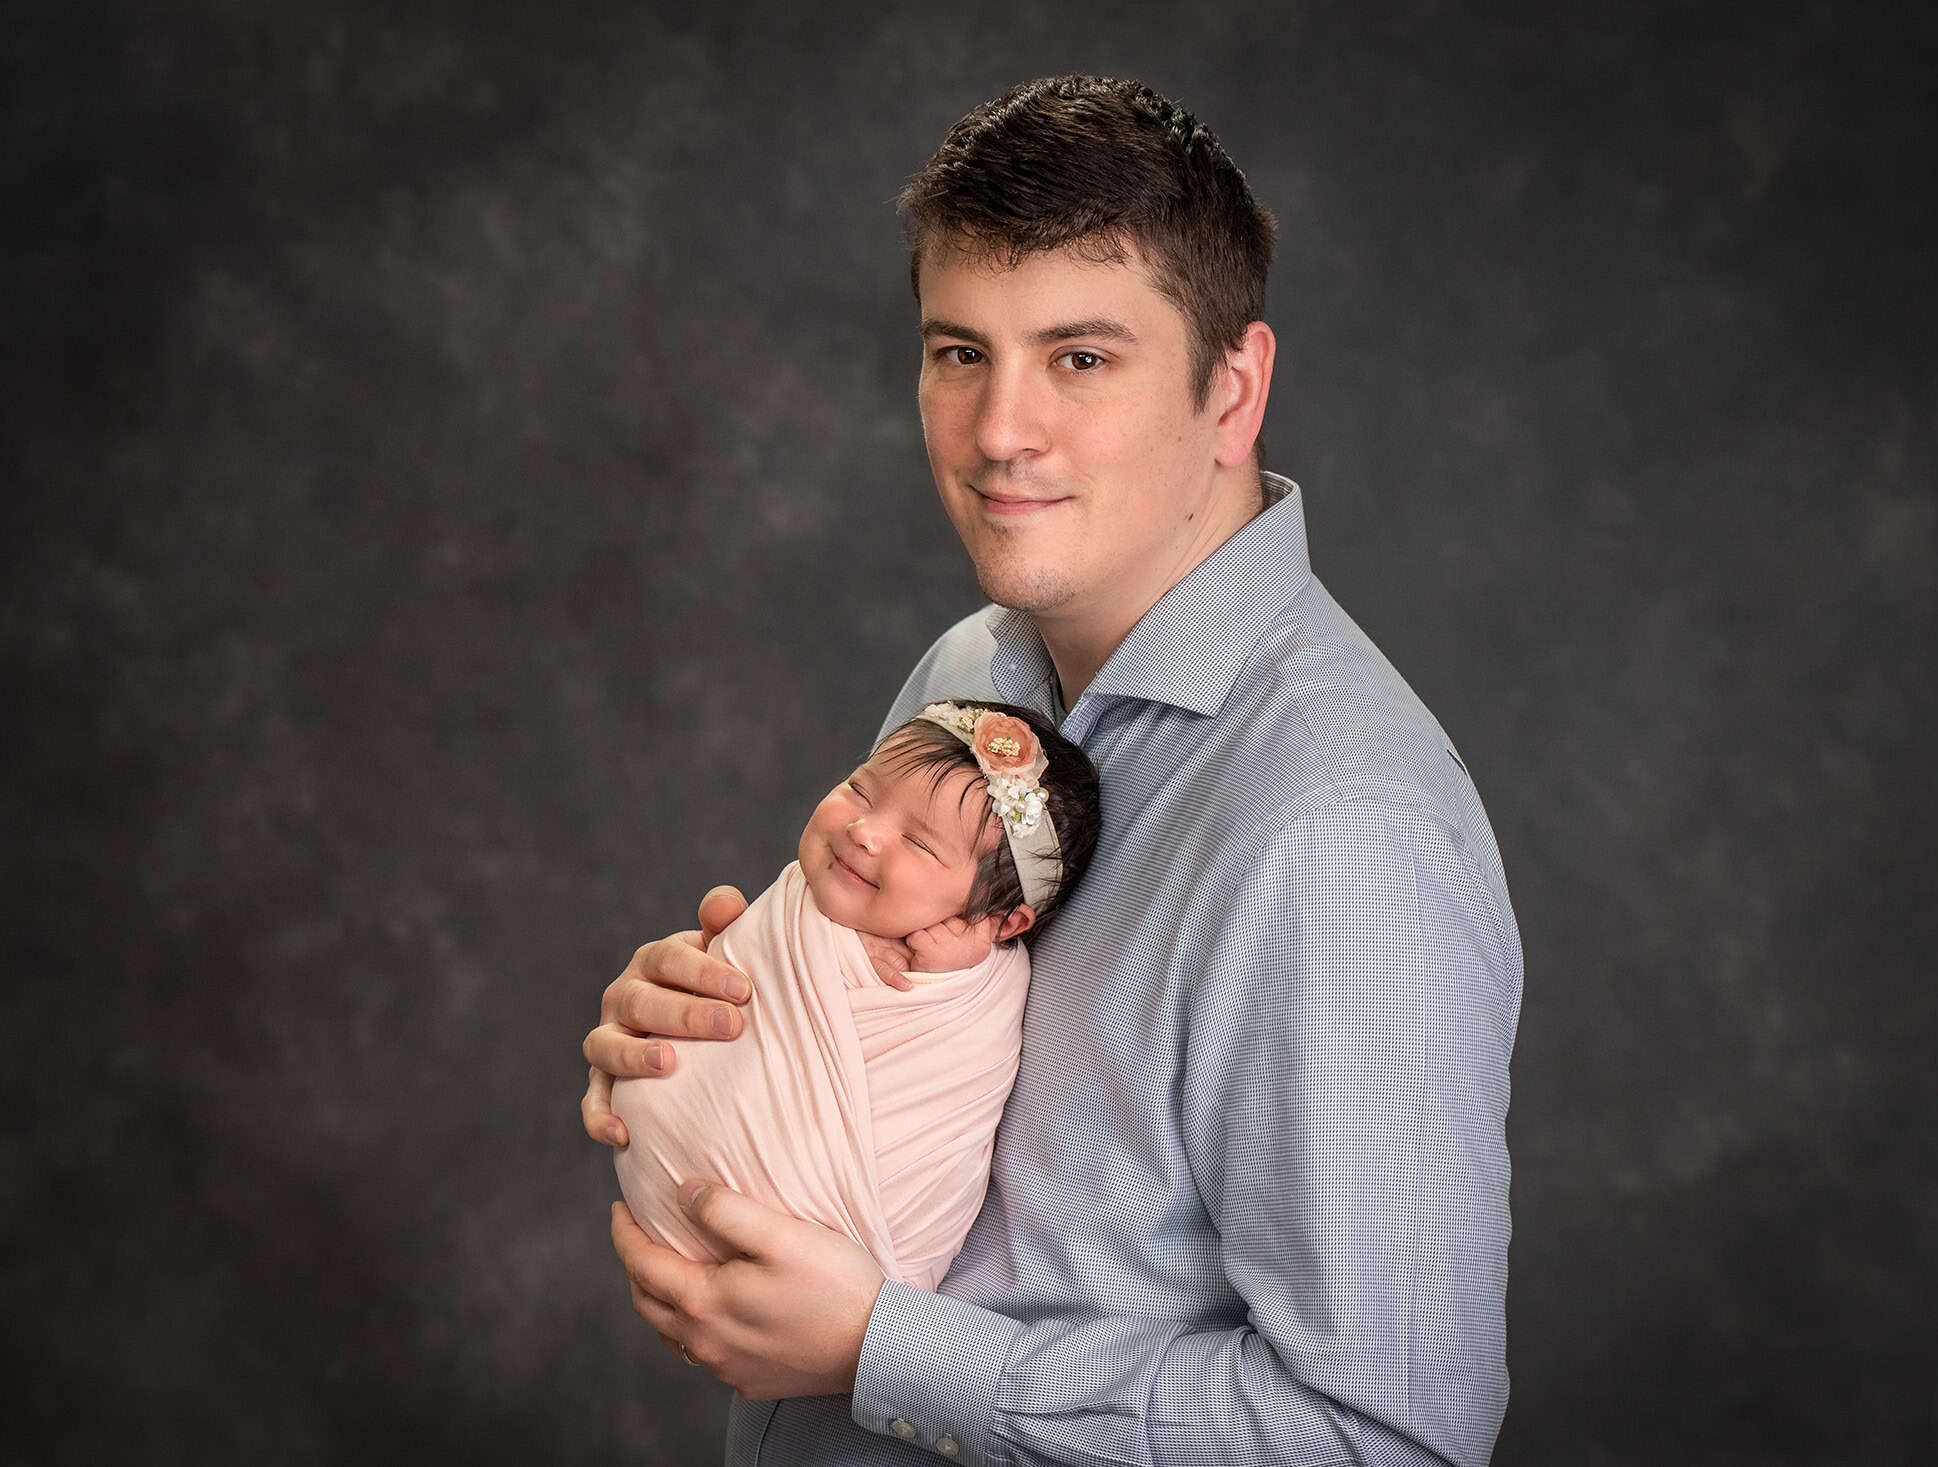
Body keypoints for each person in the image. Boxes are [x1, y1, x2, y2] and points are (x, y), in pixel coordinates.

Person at [582, 74, 1522, 1467]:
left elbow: (1386, 1434)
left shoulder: (1344, 826)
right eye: (961, 351)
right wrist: (727, 1022)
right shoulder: (976, 666)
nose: (998, 431)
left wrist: (878, 1349)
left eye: (1081, 358)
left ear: (1234, 388)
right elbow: (902, 1090)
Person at [612, 701, 1099, 1294]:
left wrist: (952, 969)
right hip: (672, 1183)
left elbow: (958, 1065)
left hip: (826, 1268)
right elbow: (759, 961)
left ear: (1002, 923)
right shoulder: (809, 895)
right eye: (860, 791)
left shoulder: (981, 990)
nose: (862, 831)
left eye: (920, 845)